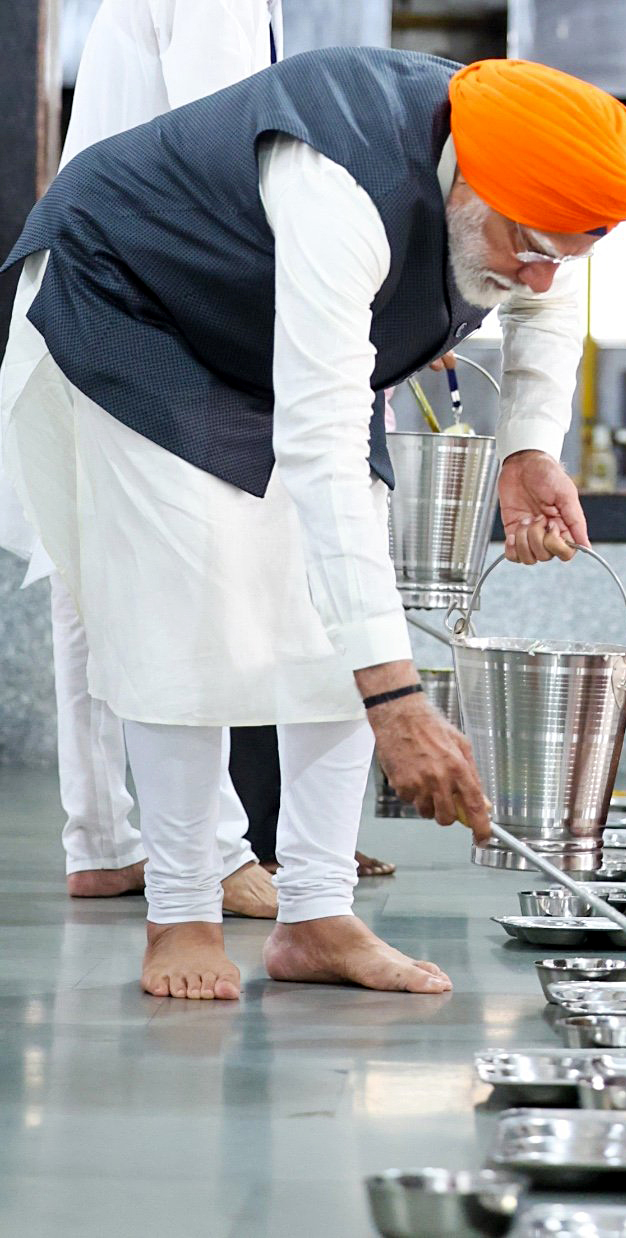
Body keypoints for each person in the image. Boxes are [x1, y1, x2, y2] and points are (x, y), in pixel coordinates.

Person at [0, 51, 626, 1000]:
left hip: (273, 331)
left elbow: (543, 309)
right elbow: (318, 443)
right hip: (136, 301)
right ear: (469, 185)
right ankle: (181, 912)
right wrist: (395, 703)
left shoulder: (528, 200)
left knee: (340, 616)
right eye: (531, 248)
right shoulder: (338, 175)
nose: (543, 279)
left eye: (569, 256)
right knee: (185, 606)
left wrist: (527, 446)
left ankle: (318, 915)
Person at [0, 0, 285, 914]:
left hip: (89, 275)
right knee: (181, 568)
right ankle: (213, 850)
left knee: (91, 571)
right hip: (140, 293)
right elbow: (225, 157)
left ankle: (103, 837)